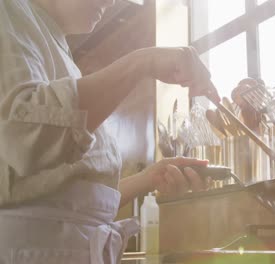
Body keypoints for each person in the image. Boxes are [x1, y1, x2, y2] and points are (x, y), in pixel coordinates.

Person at [0, 0, 216, 263]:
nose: (112, 1)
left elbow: (64, 198)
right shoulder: (9, 10)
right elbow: (26, 137)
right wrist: (142, 62)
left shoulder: (51, 41)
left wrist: (149, 178)